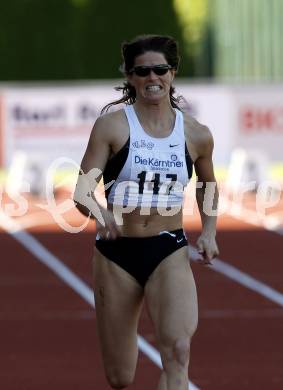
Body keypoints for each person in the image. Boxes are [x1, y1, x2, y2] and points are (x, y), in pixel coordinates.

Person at [74, 34, 219, 390]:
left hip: (168, 250)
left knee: (179, 350)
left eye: (159, 70)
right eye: (142, 72)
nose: (152, 78)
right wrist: (99, 212)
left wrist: (210, 229)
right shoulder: (112, 127)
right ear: (129, 76)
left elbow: (208, 185)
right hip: (117, 255)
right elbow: (81, 191)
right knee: (120, 376)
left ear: (172, 73)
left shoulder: (196, 134)